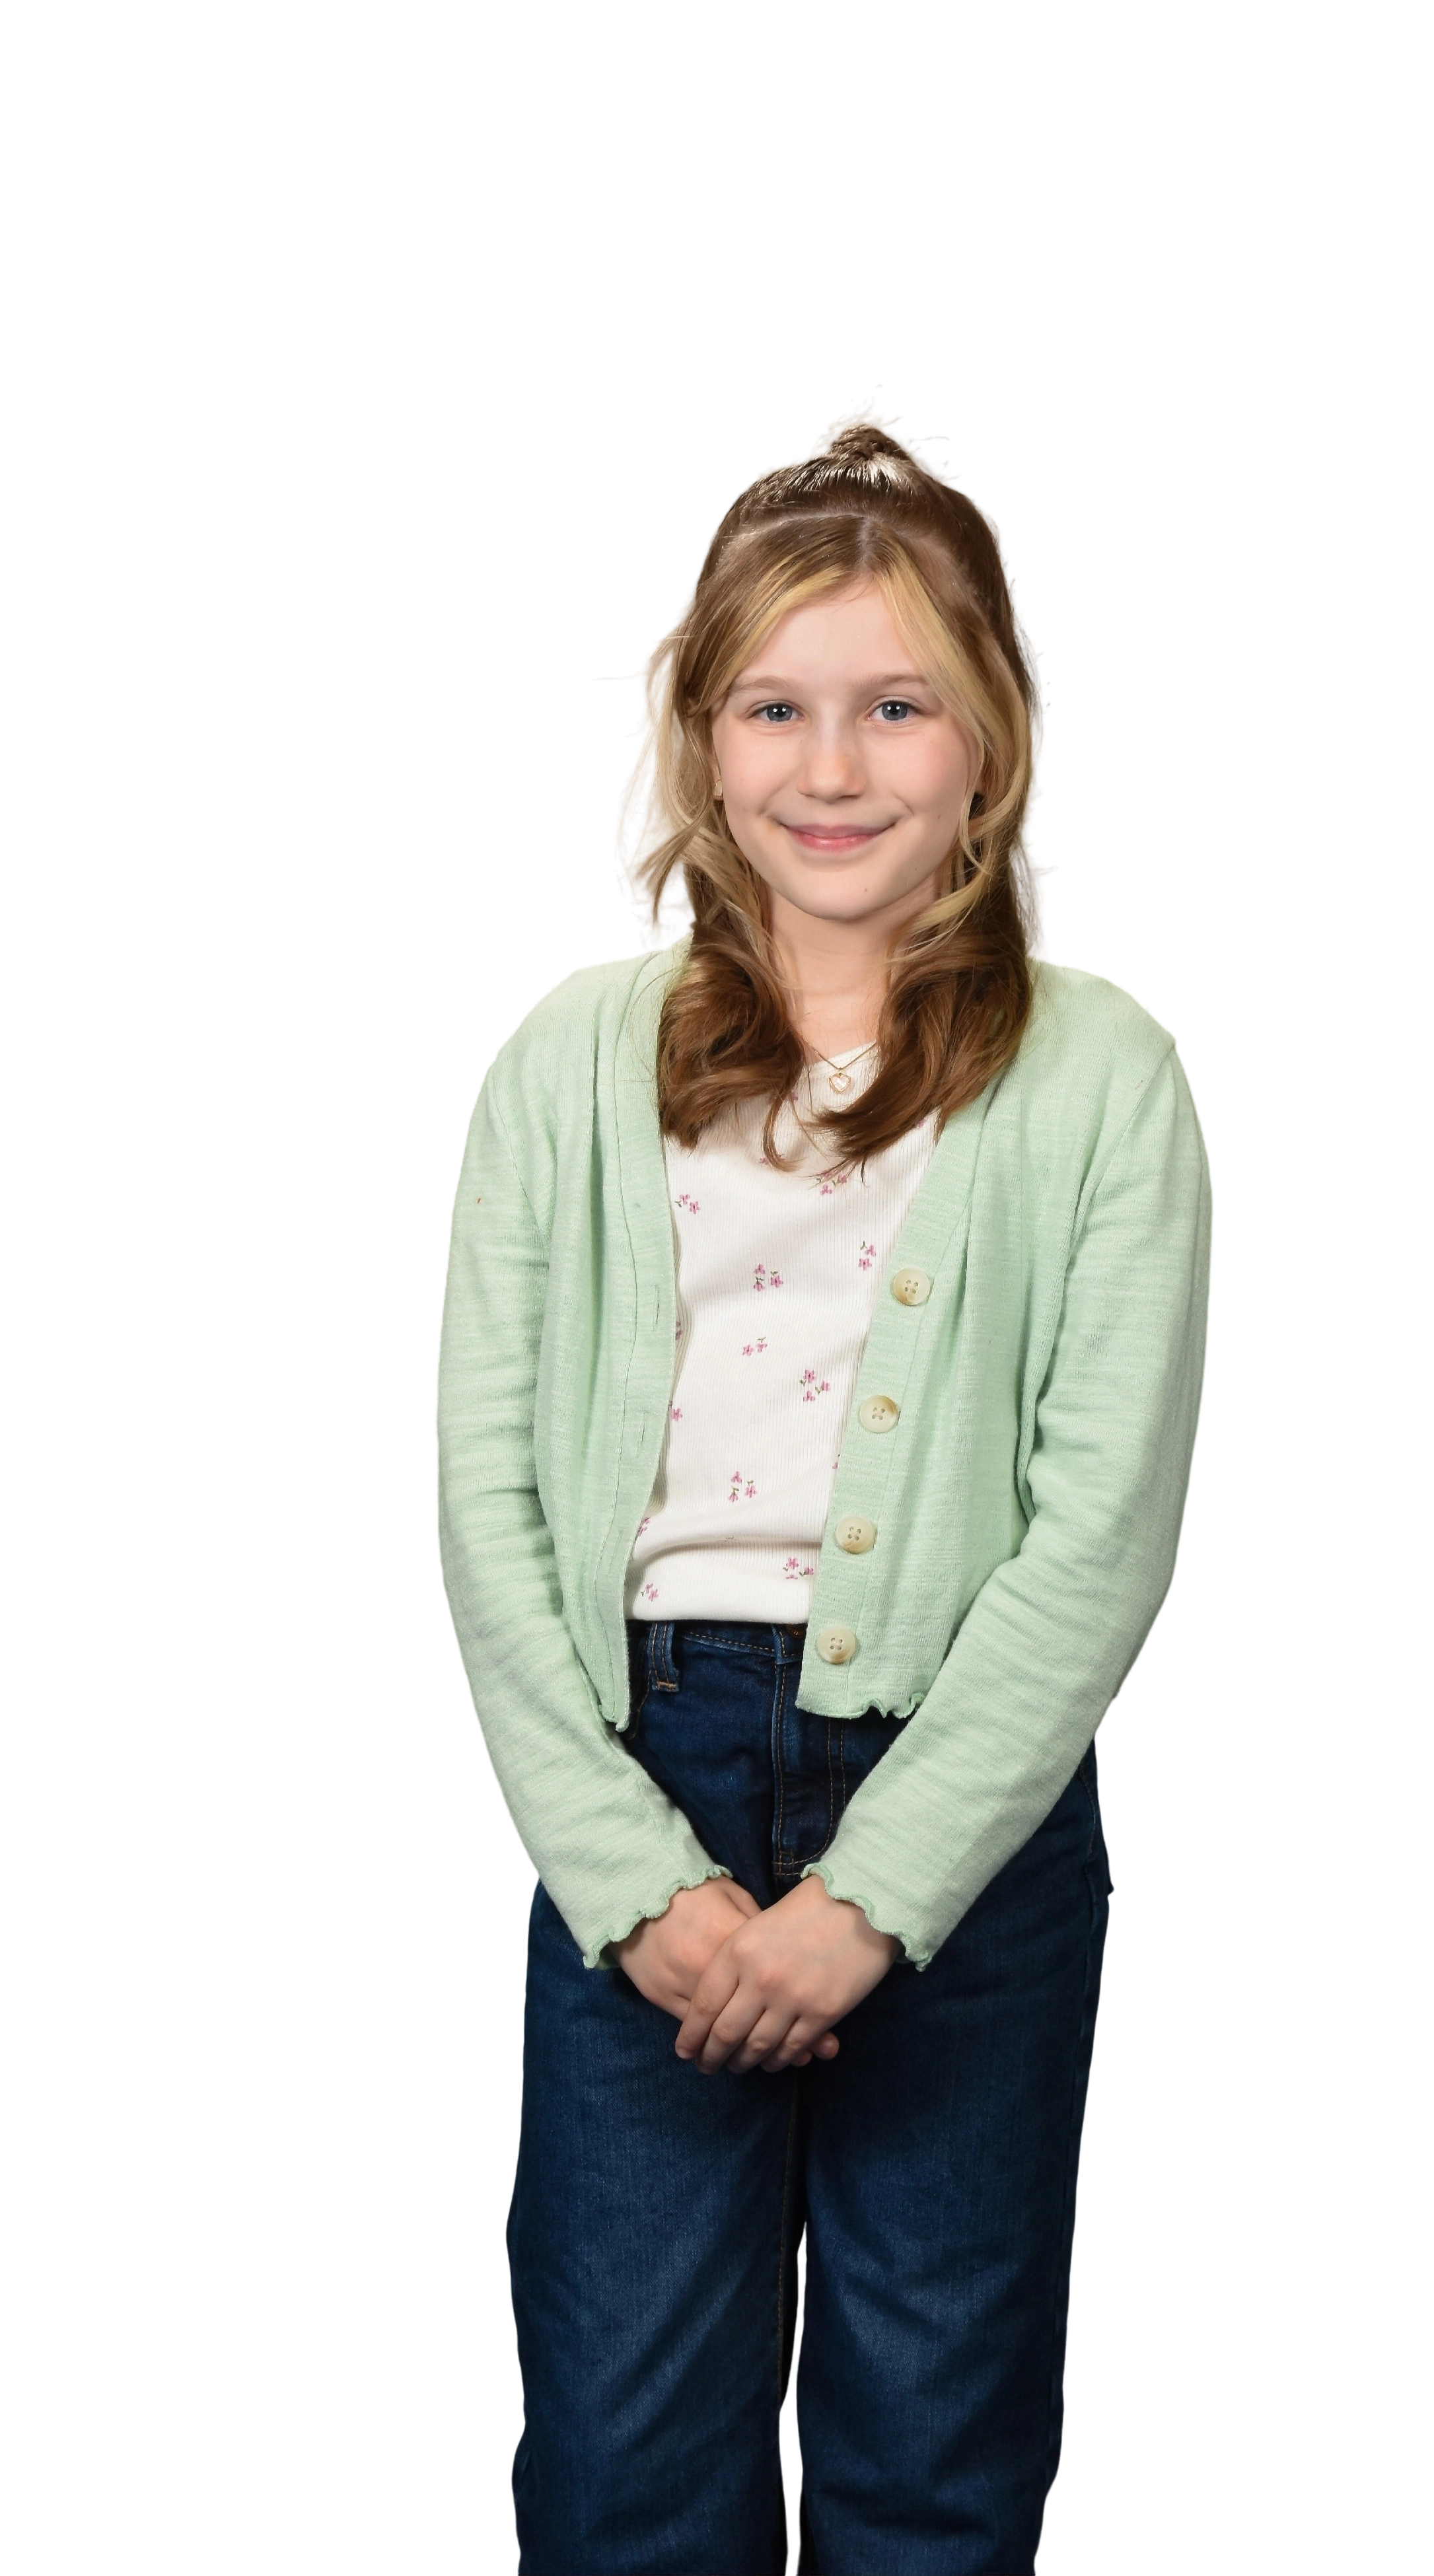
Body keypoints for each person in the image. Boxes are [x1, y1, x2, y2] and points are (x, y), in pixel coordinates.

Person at [433, 404, 1215, 2576]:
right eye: (774, 706)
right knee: (624, 2449)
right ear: (699, 736)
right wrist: (637, 1884)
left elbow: (1102, 1525)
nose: (833, 764)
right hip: (644, 1788)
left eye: (898, 706)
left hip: (968, 1805)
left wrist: (878, 1892)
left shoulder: (1102, 1074)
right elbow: (490, 1508)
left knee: (935, 2444)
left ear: (994, 746)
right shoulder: (568, 1062)